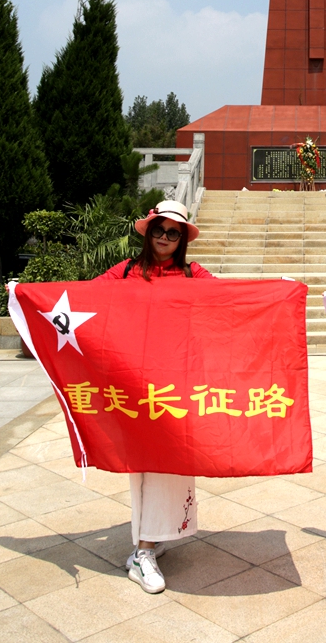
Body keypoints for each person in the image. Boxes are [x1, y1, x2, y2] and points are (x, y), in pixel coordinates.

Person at [95, 199, 214, 594]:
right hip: (132, 380)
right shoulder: (126, 271)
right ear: (149, 232)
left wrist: (273, 292)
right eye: (160, 230)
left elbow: (229, 298)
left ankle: (151, 539)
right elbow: (83, 298)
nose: (165, 237)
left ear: (181, 239)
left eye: (173, 232)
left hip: (176, 381)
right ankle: (143, 551)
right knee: (144, 464)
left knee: (171, 460)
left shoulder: (192, 273)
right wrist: (26, 294)